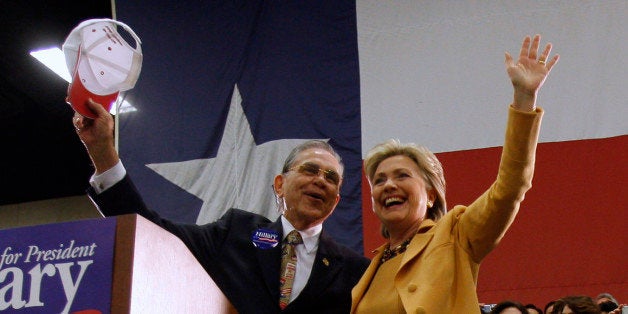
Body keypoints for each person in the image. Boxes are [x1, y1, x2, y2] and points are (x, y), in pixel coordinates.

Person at [71, 100, 370, 313]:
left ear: (336, 200)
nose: (321, 180)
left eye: (331, 178)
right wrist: (102, 150)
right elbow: (152, 234)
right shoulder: (235, 233)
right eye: (310, 170)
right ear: (280, 184)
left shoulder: (356, 270)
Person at [351, 34, 559, 314]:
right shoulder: (369, 270)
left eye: (402, 176)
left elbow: (509, 188)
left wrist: (524, 98)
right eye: (379, 180)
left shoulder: (455, 236)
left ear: (431, 195)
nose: (389, 185)